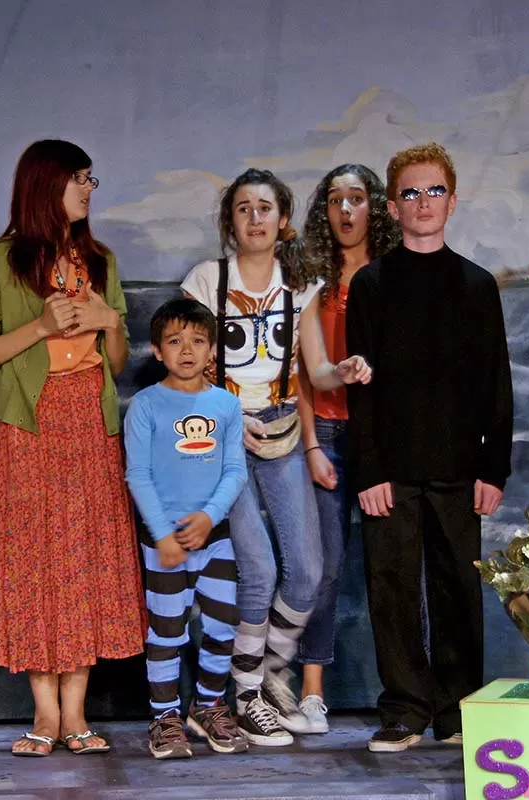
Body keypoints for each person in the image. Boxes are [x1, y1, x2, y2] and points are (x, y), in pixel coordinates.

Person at [0, 139, 145, 757]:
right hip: (31, 426)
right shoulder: (1, 259)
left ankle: (76, 713)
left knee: (85, 558)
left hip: (91, 421)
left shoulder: (100, 259)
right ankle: (44, 712)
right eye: (79, 178)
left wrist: (109, 322)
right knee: (35, 559)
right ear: (47, 183)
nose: (89, 189)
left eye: (91, 178)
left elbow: (116, 363)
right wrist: (39, 326)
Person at [181, 168, 371, 746]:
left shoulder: (299, 286)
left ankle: (263, 671)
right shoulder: (206, 281)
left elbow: (315, 370)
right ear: (230, 221)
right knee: (258, 569)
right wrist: (223, 418)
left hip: (283, 430)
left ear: (283, 219)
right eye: (243, 208)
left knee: (308, 571)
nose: (255, 218)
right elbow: (186, 367)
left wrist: (341, 371)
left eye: (265, 207)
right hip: (224, 438)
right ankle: (245, 697)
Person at [346, 143, 512, 753]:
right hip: (390, 470)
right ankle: (405, 710)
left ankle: (457, 709)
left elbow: (497, 383)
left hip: (459, 468)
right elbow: (360, 386)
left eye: (434, 190)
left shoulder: (477, 285)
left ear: (453, 201)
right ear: (392, 207)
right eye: (411, 193)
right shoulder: (371, 284)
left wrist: (494, 468)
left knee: (458, 590)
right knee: (391, 590)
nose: (423, 202)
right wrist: (368, 470)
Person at [292, 164, 401, 733]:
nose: (345, 210)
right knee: (327, 567)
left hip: (384, 437)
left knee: (394, 566)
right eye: (335, 200)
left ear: (373, 207)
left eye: (356, 198)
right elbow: (303, 374)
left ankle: (407, 693)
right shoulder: (313, 280)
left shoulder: (394, 274)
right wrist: (311, 443)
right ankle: (312, 691)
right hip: (330, 437)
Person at [124, 298, 250, 759]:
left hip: (214, 538)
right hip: (164, 542)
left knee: (222, 626)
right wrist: (162, 534)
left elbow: (235, 471)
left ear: (212, 349)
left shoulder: (226, 405)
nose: (187, 350)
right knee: (166, 632)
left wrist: (209, 517)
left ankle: (209, 705)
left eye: (198, 341)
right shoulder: (144, 405)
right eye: (175, 341)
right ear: (158, 351)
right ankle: (164, 717)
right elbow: (137, 474)